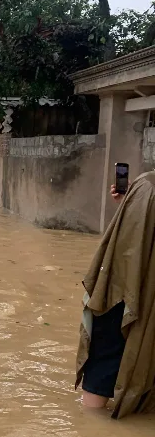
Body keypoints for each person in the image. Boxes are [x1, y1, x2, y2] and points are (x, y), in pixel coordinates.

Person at [76, 173, 155, 418]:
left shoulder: (148, 185)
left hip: (125, 296)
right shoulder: (147, 187)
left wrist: (134, 204)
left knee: (103, 356)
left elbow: (129, 256)